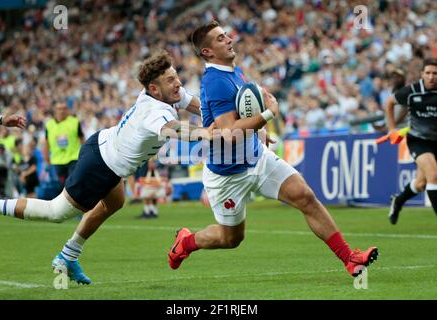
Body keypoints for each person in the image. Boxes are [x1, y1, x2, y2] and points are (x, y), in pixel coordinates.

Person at [167, 21, 378, 277]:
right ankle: (187, 242)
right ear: (207, 52)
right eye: (221, 38)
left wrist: (257, 128)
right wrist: (267, 115)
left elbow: (243, 113)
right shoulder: (215, 82)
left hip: (256, 158)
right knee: (230, 239)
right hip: (227, 175)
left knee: (305, 196)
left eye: (226, 35)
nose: (229, 39)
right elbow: (230, 133)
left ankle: (350, 258)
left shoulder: (233, 71)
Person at [0, 50, 211, 285]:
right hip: (100, 166)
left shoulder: (163, 94)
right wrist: (208, 133)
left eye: (176, 77)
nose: (178, 83)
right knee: (56, 212)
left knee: (115, 201)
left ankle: (68, 255)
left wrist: (221, 117)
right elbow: (175, 129)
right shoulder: (154, 111)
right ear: (154, 89)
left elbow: (195, 104)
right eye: (171, 80)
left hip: (102, 146)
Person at [386, 58, 437, 224]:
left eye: (435, 73)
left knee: (421, 183)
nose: (431, 77)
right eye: (428, 73)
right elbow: (389, 103)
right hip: (418, 140)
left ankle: (398, 200)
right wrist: (392, 128)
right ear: (422, 74)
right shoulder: (412, 91)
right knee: (434, 175)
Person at [42, 102, 84, 193]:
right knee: (62, 186)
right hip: (57, 160)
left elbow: (82, 139)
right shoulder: (49, 125)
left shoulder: (74, 122)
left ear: (67, 110)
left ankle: (76, 203)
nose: (62, 111)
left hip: (73, 158)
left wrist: (84, 153)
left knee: (73, 183)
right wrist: (46, 158)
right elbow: (46, 142)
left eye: (64, 108)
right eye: (59, 109)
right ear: (54, 110)